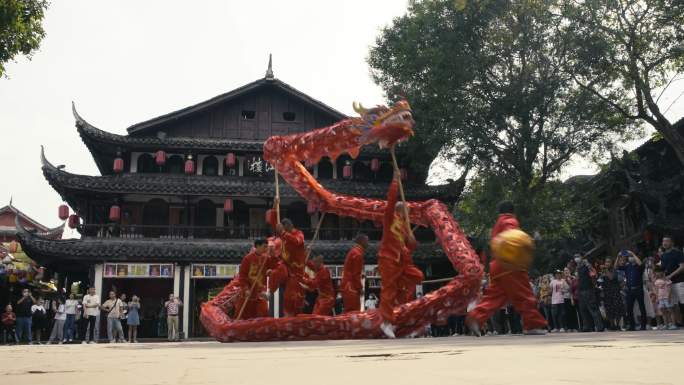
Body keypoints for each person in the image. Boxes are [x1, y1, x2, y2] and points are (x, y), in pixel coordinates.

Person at [465, 201, 548, 336]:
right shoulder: (510, 221)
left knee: (495, 297)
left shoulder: (498, 224)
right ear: (512, 211)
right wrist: (530, 240)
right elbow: (513, 238)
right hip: (511, 264)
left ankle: (476, 316)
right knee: (524, 295)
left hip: (497, 266)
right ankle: (532, 324)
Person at [377, 171, 416, 338]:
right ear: (400, 209)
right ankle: (386, 322)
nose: (408, 212)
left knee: (415, 277)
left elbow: (411, 247)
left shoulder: (404, 226)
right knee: (388, 290)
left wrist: (411, 238)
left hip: (401, 262)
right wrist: (395, 181)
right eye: (406, 209)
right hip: (387, 258)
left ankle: (399, 319)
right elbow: (391, 201)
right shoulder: (389, 218)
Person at [272, 218, 307, 317]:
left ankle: (292, 320)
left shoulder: (299, 234)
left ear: (287, 226)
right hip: (288, 272)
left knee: (292, 299)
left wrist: (283, 233)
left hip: (297, 274)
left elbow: (297, 241)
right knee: (288, 299)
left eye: (283, 229)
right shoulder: (283, 239)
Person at [235, 239, 277, 319]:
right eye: (264, 247)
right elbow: (242, 276)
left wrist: (272, 254)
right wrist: (245, 289)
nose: (266, 249)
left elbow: (275, 265)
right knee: (244, 317)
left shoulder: (266, 258)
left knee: (263, 316)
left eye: (266, 247)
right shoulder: (247, 259)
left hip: (260, 293)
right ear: (257, 246)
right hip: (248, 293)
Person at [615, 250, 646, 330]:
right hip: (629, 290)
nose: (630, 258)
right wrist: (618, 257)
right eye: (629, 257)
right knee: (629, 308)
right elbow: (616, 267)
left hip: (638, 289)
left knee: (642, 307)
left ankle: (643, 325)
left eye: (632, 257)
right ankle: (632, 326)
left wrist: (633, 254)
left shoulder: (639, 267)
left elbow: (641, 264)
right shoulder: (627, 266)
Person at [576, 255, 604, 332]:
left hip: (588, 290)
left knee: (593, 308)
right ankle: (586, 327)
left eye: (578, 256)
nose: (576, 258)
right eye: (575, 257)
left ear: (582, 258)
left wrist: (588, 265)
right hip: (581, 290)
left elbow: (594, 274)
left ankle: (599, 326)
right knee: (583, 309)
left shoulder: (587, 266)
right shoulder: (578, 268)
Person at [340, 234, 368, 313]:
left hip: (348, 286)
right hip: (351, 287)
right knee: (353, 312)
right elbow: (356, 274)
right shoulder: (358, 254)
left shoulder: (354, 252)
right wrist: (360, 288)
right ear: (362, 241)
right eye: (367, 241)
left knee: (350, 311)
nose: (368, 244)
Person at [660, 236, 684, 318]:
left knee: (682, 302)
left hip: (679, 281)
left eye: (667, 241)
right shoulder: (663, 255)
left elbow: (682, 266)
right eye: (663, 241)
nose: (664, 243)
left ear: (672, 243)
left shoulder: (678, 252)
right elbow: (663, 269)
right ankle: (678, 322)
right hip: (669, 284)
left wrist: (671, 275)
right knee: (673, 304)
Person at [600, 258, 624, 331]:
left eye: (609, 262)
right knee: (609, 309)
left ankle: (618, 325)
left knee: (617, 309)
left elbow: (611, 277)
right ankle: (612, 325)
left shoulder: (614, 270)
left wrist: (606, 270)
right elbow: (601, 281)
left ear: (612, 263)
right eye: (606, 262)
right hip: (607, 293)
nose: (607, 263)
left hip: (615, 292)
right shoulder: (603, 271)